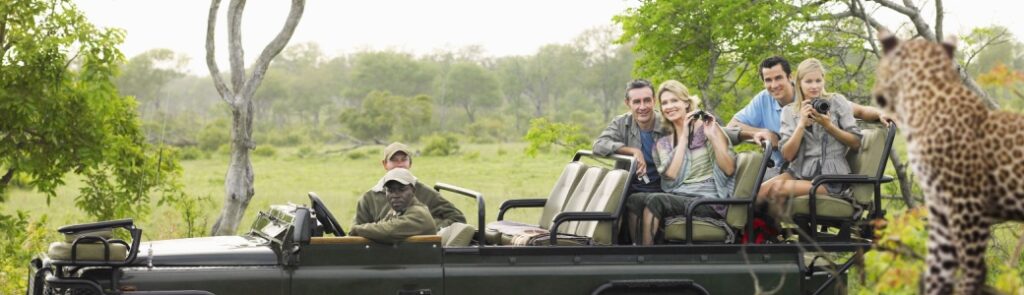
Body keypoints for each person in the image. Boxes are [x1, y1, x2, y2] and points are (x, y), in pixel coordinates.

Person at [727, 56, 891, 178]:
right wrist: (759, 133)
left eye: (778, 78)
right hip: (782, 166)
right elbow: (732, 125)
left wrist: (880, 113)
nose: (774, 85)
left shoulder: (815, 98)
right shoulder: (763, 99)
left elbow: (860, 111)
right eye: (768, 80)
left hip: (814, 169)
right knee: (742, 178)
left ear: (791, 78)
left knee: (757, 188)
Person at [635, 80, 737, 245]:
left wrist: (712, 138)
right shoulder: (663, 143)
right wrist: (683, 137)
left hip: (706, 201)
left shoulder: (709, 128)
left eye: (674, 100)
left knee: (656, 200)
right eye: (665, 103)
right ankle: (633, 248)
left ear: (687, 104)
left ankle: (645, 257)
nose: (669, 106)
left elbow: (729, 169)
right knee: (635, 199)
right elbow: (671, 175)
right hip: (680, 198)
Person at [756, 58, 861, 216]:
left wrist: (829, 126)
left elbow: (856, 142)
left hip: (829, 178)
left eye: (818, 80)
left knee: (778, 188)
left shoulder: (837, 102)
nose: (814, 86)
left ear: (823, 80)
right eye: (809, 81)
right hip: (799, 172)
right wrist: (801, 124)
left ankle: (771, 235)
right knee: (760, 191)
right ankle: (760, 236)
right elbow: (788, 155)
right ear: (799, 83)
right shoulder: (789, 111)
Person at [354, 142, 465, 230]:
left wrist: (427, 230)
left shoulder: (424, 192)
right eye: (394, 160)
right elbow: (355, 231)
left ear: (410, 163)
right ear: (385, 164)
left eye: (404, 159)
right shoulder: (370, 197)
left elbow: (457, 218)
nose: (399, 164)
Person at [593, 79, 665, 193]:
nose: (642, 107)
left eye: (647, 100)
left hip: (662, 189)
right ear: (627, 103)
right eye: (637, 102)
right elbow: (599, 145)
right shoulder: (621, 122)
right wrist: (633, 151)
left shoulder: (667, 123)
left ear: (654, 100)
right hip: (628, 188)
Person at [350, 168, 437, 243]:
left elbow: (388, 231)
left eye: (401, 189)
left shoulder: (419, 214)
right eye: (390, 191)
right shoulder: (398, 211)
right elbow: (381, 226)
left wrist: (356, 229)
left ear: (413, 191)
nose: (395, 195)